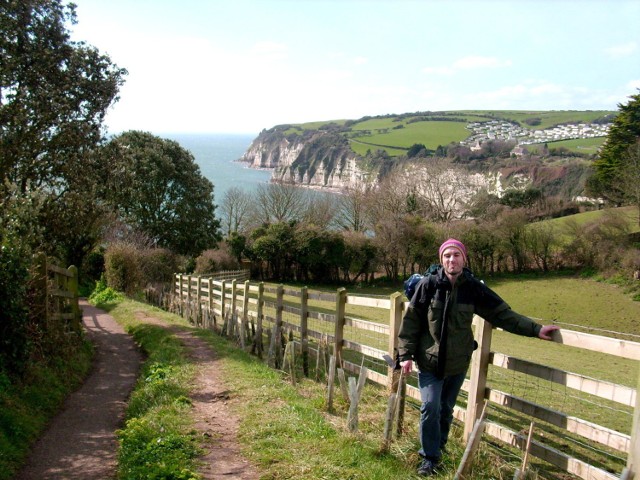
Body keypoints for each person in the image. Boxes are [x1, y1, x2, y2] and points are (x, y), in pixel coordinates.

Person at [397, 238, 559, 477]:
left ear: (464, 258)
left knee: (445, 409)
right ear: (441, 260)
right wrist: (405, 355)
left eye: (456, 255)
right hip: (429, 362)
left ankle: (438, 448)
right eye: (447, 256)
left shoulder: (473, 289)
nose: (452, 259)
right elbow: (411, 323)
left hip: (458, 364)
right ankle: (429, 458)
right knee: (430, 407)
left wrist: (536, 329)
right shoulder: (428, 286)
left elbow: (503, 315)